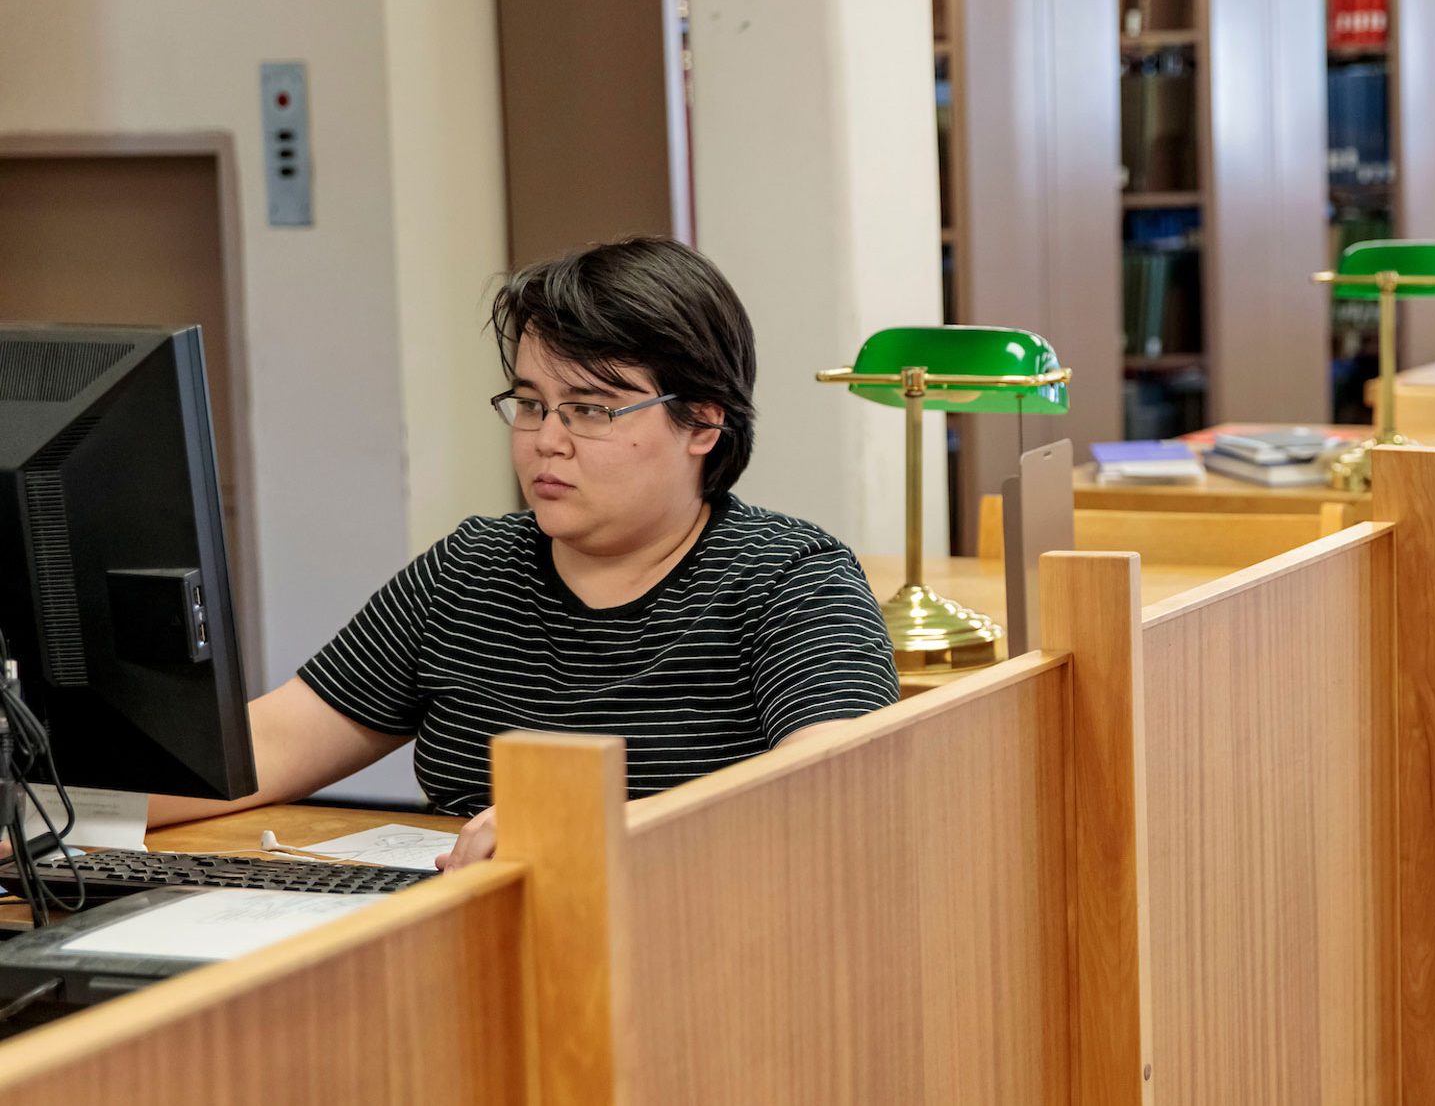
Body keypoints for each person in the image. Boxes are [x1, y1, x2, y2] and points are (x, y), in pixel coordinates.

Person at [146, 237, 901, 867]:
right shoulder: (470, 571)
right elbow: (269, 745)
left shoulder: (791, 578)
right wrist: (52, 804)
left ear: (703, 424)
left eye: (591, 409)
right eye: (532, 403)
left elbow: (838, 776)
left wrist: (588, 832)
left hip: (702, 945)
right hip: (474, 934)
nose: (546, 439)